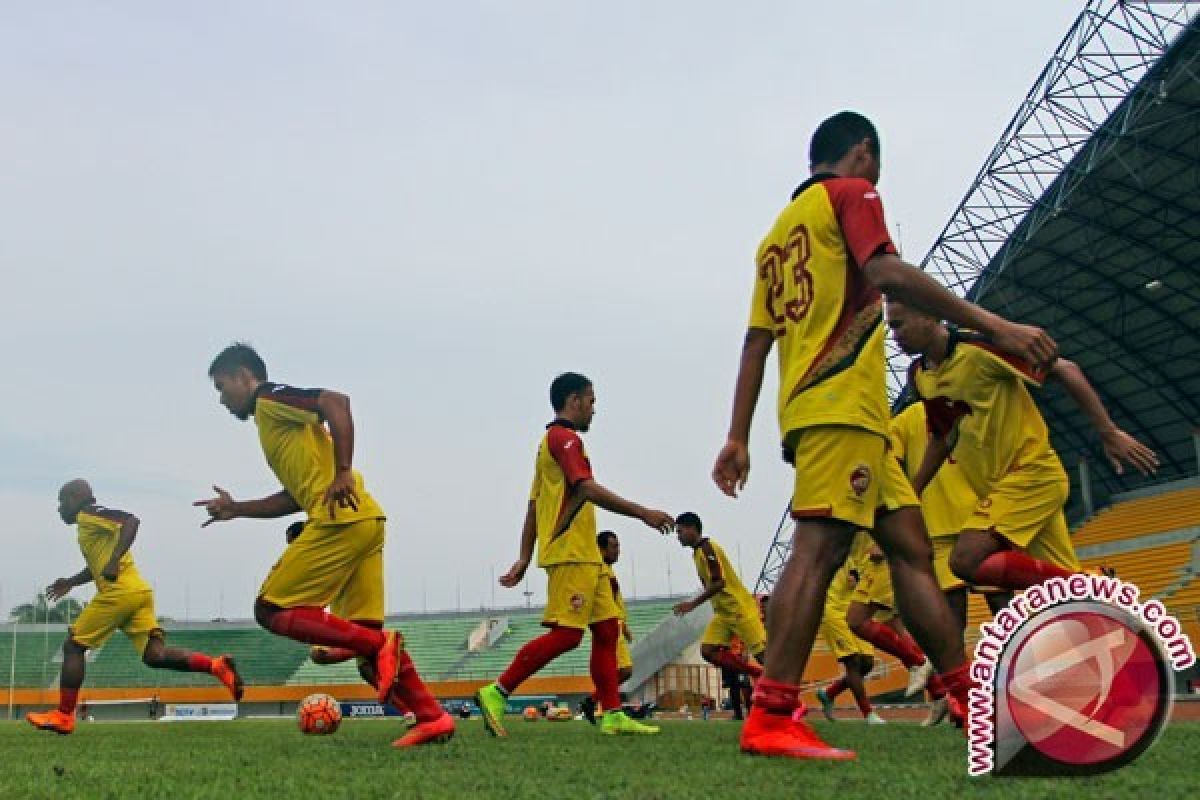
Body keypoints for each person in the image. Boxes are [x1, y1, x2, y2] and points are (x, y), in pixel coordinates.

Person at [712, 110, 1059, 759]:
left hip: (846, 416)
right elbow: (891, 272)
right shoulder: (852, 193)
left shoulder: (774, 242)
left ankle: (964, 694)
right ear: (863, 154)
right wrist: (997, 325)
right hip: (840, 406)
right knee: (817, 547)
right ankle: (772, 711)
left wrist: (739, 435)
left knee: (909, 548)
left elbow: (757, 342)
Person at [195, 343, 452, 748]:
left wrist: (344, 471)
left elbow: (335, 401)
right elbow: (295, 497)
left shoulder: (268, 399)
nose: (222, 399)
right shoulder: (275, 428)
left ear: (246, 376)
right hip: (365, 519)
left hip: (340, 518)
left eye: (222, 387)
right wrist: (237, 509)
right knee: (370, 659)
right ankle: (432, 717)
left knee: (270, 608)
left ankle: (378, 644)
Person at [888, 300, 1158, 591]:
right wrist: (911, 497)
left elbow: (1065, 369)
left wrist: (1109, 432)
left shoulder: (978, 349)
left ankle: (1089, 584)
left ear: (930, 315)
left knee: (966, 560)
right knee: (1057, 597)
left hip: (1030, 475)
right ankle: (1102, 606)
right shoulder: (920, 374)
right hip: (999, 490)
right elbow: (942, 437)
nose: (894, 336)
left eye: (898, 325)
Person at [475, 373, 673, 737]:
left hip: (584, 553)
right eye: (591, 401)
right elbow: (586, 489)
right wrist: (643, 512)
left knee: (607, 631)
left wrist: (523, 555)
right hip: (571, 552)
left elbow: (534, 505)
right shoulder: (563, 439)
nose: (595, 409)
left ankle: (612, 713)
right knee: (568, 636)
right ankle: (496, 692)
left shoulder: (547, 443)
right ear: (573, 400)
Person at [26, 480, 242, 735]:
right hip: (138, 592)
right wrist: (72, 582)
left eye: (62, 501)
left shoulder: (89, 514)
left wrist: (114, 560)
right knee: (155, 656)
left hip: (119, 592)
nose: (59, 508)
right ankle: (215, 666)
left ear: (76, 498)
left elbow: (132, 521)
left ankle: (63, 715)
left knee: (73, 646)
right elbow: (100, 565)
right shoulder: (90, 525)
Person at [673, 513, 765, 680]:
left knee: (764, 656)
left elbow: (719, 583)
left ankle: (787, 691)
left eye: (680, 532)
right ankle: (756, 672)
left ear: (692, 528)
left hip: (738, 609)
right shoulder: (696, 553)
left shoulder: (707, 548)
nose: (678, 537)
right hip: (723, 613)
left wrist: (692, 604)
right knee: (708, 650)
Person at [815, 533, 883, 725]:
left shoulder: (863, 537)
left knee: (867, 663)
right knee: (852, 661)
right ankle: (868, 714)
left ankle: (830, 693)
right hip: (833, 608)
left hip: (853, 605)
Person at [581, 530, 635, 725]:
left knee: (619, 671)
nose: (618, 551)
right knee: (624, 671)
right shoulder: (599, 569)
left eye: (618, 546)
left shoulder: (608, 569)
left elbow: (613, 599)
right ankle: (605, 705)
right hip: (608, 624)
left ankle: (597, 702)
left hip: (616, 623)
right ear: (601, 549)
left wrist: (624, 624)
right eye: (614, 546)